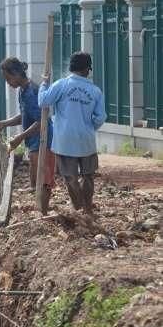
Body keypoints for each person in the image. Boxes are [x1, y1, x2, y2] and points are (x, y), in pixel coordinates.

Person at [38, 51, 106, 216]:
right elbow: (100, 117)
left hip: (65, 141)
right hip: (86, 141)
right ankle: (87, 209)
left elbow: (43, 101)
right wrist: (88, 128)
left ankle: (78, 206)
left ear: (71, 67)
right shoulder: (95, 91)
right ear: (88, 70)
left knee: (70, 177)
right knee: (88, 176)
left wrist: (43, 84)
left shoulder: (61, 85)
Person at [0, 57, 56, 213]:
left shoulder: (32, 91)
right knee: (35, 180)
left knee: (43, 179)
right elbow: (24, 116)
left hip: (43, 139)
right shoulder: (23, 90)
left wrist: (19, 138)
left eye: (8, 78)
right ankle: (40, 211)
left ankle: (43, 212)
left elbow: (41, 121)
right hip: (33, 140)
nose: (8, 83)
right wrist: (3, 123)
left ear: (17, 73)